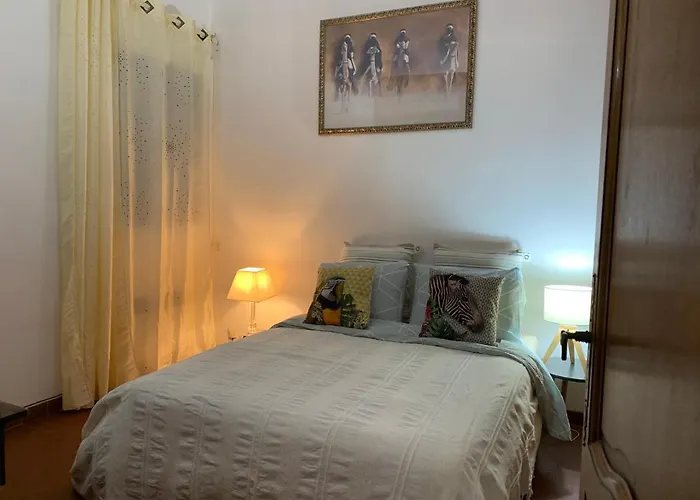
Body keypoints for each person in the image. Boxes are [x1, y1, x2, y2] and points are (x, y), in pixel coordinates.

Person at [334, 34, 358, 98]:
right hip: (344, 60)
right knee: (340, 71)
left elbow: (351, 57)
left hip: (347, 60)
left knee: (348, 73)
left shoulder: (347, 46)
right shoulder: (345, 47)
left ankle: (353, 86)